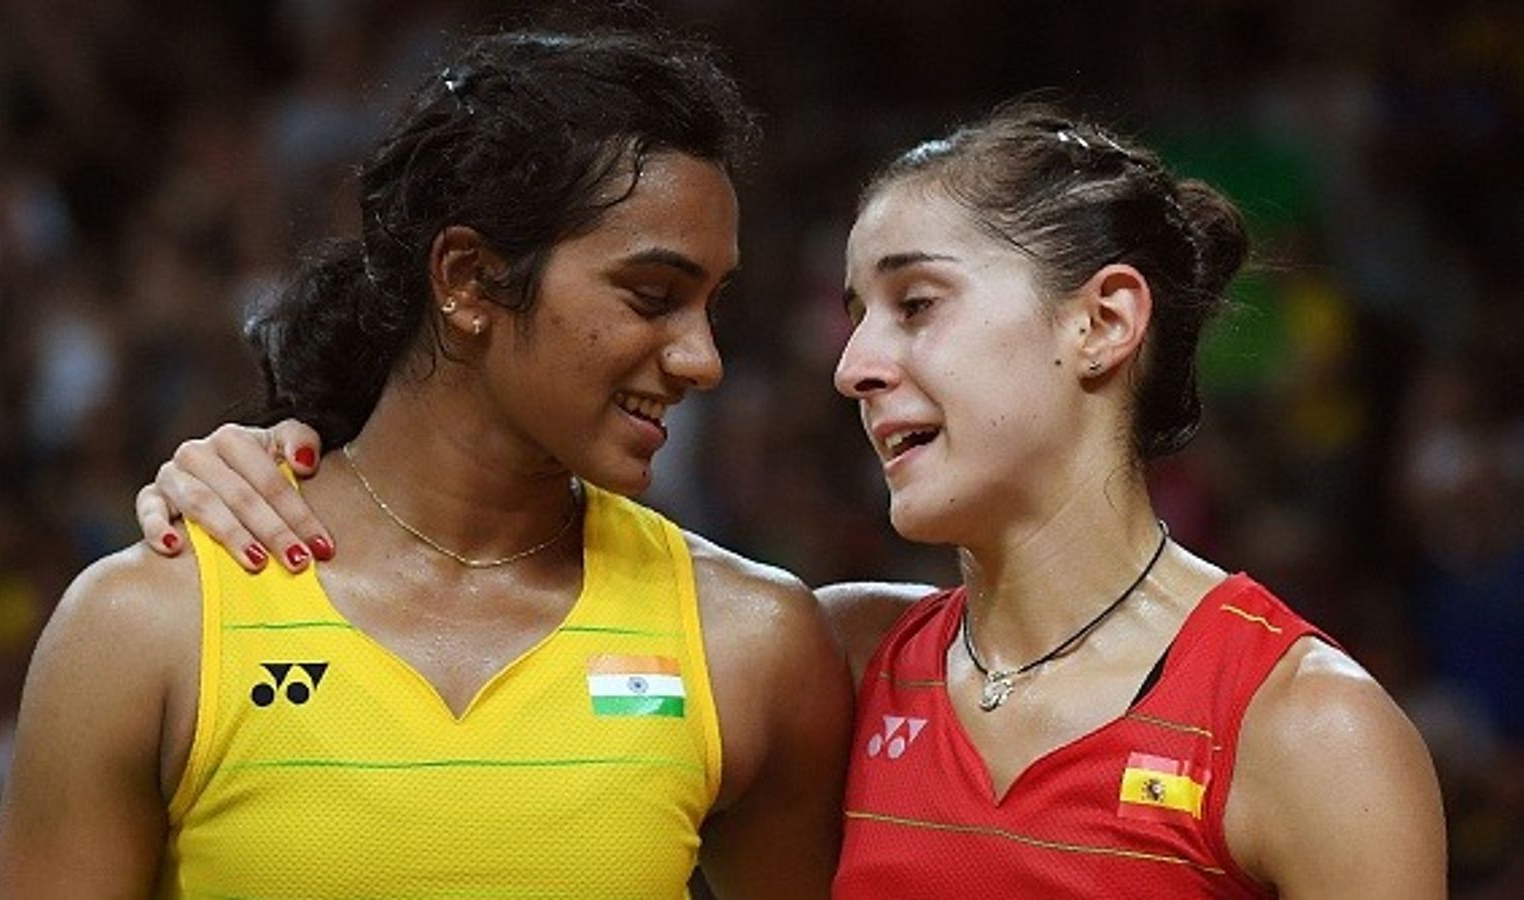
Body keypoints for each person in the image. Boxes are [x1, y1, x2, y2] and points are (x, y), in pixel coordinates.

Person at [126, 103, 1447, 897]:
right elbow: (478, 549)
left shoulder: (1309, 733)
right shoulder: (832, 658)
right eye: (855, 314)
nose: (855, 365)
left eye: (916, 305)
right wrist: (277, 459)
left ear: (1103, 322)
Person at [0, 29, 851, 900]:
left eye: (711, 306)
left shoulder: (747, 641)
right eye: (653, 298)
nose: (703, 359)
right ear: (469, 280)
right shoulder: (147, 622)